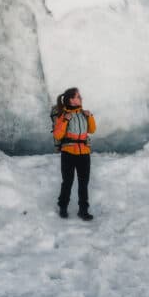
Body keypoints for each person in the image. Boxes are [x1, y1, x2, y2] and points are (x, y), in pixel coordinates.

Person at [53, 88, 96, 220]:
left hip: (84, 153)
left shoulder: (84, 114)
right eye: (78, 96)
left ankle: (83, 210)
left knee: (84, 183)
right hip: (68, 153)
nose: (81, 98)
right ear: (71, 100)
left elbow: (92, 130)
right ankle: (63, 206)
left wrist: (90, 117)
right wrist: (65, 120)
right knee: (68, 181)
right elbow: (58, 134)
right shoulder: (63, 115)